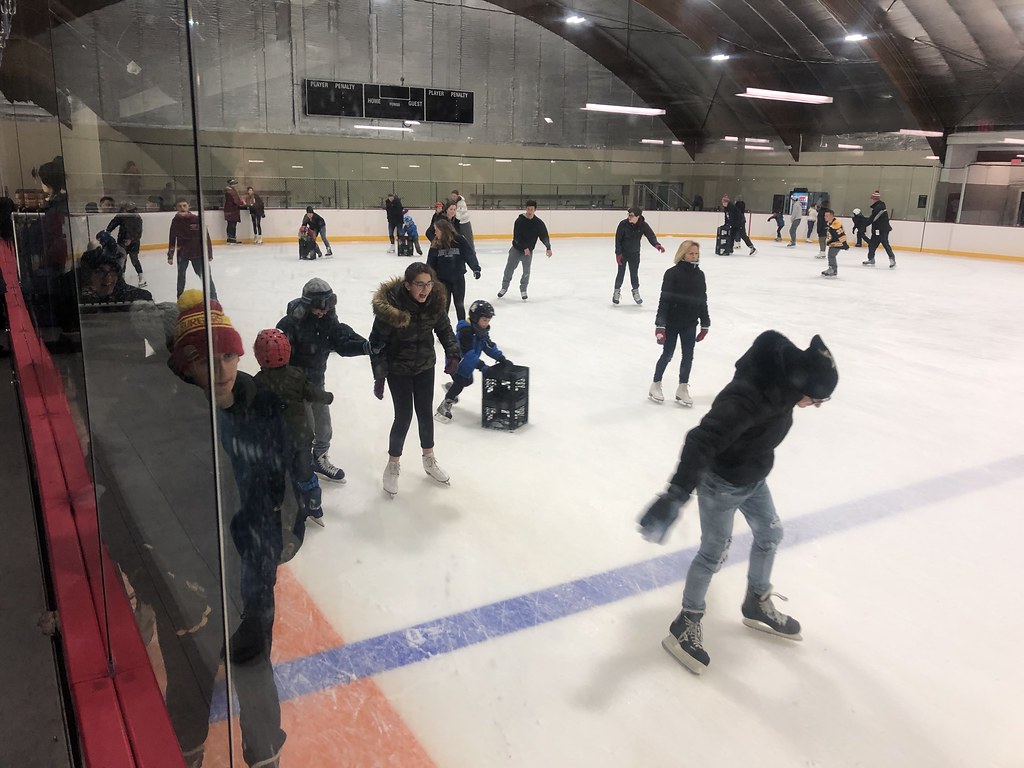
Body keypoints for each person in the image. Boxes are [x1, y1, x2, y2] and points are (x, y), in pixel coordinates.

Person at [637, 330, 839, 675]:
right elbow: (701, 439)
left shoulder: (785, 388)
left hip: (754, 477)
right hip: (721, 485)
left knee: (770, 534)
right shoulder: (751, 398)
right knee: (714, 554)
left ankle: (756, 603)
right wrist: (676, 494)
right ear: (804, 387)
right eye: (816, 399)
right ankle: (686, 621)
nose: (815, 406)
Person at [169, 296, 287, 766]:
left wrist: (271, 547)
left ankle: (263, 754)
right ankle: (186, 747)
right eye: (203, 358)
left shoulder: (263, 405)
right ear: (183, 365)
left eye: (229, 355)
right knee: (190, 674)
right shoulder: (165, 417)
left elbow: (282, 483)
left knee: (255, 668)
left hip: (251, 571)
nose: (220, 369)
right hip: (190, 578)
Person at [369, 262, 461, 497]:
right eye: (419, 284)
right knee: (403, 416)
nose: (425, 289)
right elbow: (377, 344)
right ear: (407, 285)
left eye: (428, 284)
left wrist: (452, 352)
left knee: (424, 412)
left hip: (424, 366)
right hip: (398, 369)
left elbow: (445, 329)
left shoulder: (434, 303)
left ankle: (429, 459)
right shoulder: (391, 309)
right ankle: (392, 465)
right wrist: (379, 375)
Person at [275, 278, 370, 483]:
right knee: (304, 431)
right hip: (296, 389)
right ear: (308, 304)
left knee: (324, 427)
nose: (324, 312)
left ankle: (319, 459)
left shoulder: (328, 321)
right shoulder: (289, 324)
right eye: (319, 308)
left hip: (317, 384)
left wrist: (364, 348)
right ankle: (300, 466)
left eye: (328, 307)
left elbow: (342, 343)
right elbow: (278, 359)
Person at [253, 328, 333, 542]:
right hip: (301, 439)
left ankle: (281, 509)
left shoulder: (258, 382)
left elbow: (252, 410)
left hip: (275, 441)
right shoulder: (297, 375)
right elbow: (313, 393)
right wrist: (327, 397)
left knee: (278, 476)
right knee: (305, 473)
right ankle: (314, 506)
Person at [648, 240, 710, 408]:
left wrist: (705, 324)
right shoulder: (672, 273)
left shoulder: (700, 275)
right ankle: (655, 384)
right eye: (691, 253)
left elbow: (702, 300)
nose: (694, 256)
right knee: (667, 354)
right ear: (683, 254)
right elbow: (665, 300)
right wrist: (660, 325)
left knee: (688, 356)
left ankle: (682, 388)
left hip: (690, 323)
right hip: (672, 323)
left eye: (696, 253)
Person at [435, 299, 510, 423]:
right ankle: (445, 405)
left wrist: (501, 358)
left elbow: (488, 346)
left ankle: (451, 388)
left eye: (488, 320)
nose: (487, 323)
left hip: (468, 362)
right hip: (456, 361)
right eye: (484, 320)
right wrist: (482, 366)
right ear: (475, 318)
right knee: (460, 381)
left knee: (468, 381)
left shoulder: (481, 332)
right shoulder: (466, 332)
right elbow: (468, 353)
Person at [426, 219, 480, 322]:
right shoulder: (435, 244)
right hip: (442, 281)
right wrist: (429, 278)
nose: (435, 233)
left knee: (459, 305)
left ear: (443, 230)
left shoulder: (459, 240)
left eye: (437, 230)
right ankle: (444, 332)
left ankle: (462, 329)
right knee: (444, 306)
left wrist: (475, 268)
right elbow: (430, 262)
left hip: (458, 279)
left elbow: (469, 254)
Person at [498, 199, 552, 301]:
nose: (529, 211)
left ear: (535, 210)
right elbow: (516, 237)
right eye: (528, 209)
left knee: (526, 271)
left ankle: (523, 289)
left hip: (528, 252)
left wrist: (548, 247)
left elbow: (544, 236)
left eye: (531, 209)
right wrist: (524, 247)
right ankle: (504, 287)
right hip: (516, 249)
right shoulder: (519, 221)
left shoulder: (538, 223)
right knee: (509, 269)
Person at [613, 207, 665, 305]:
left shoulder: (643, 225)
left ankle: (635, 291)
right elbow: (618, 239)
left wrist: (656, 244)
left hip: (635, 254)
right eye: (628, 215)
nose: (629, 217)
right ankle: (616, 291)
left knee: (634, 273)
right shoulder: (623, 224)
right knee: (620, 273)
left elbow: (650, 236)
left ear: (638, 216)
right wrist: (618, 253)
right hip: (623, 254)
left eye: (631, 215)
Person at [167, 198, 217, 299]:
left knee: (206, 277)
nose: (182, 208)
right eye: (180, 206)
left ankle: (213, 299)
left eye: (184, 205)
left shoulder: (196, 219)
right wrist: (170, 255)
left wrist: (209, 253)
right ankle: (180, 299)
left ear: (189, 206)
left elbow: (206, 237)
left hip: (197, 253)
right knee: (181, 278)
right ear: (176, 208)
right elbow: (172, 237)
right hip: (182, 254)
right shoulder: (175, 221)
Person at [105, 200, 146, 287]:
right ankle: (121, 278)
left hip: (134, 242)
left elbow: (138, 232)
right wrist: (108, 230)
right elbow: (114, 222)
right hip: (122, 240)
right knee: (121, 259)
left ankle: (141, 277)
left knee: (134, 258)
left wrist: (131, 239)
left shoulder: (137, 218)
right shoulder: (122, 216)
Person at [863, 191, 897, 268]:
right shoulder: (877, 207)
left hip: (882, 230)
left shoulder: (879, 208)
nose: (870, 201)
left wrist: (863, 225)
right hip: (876, 230)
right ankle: (871, 259)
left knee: (885, 244)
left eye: (871, 199)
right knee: (872, 245)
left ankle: (892, 259)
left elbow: (873, 219)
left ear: (874, 199)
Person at [821, 208, 848, 278]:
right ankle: (832, 269)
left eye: (827, 216)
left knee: (831, 255)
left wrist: (845, 244)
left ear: (831, 216)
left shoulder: (836, 224)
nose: (825, 217)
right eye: (825, 216)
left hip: (838, 243)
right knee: (830, 255)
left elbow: (840, 234)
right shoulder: (830, 223)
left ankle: (833, 269)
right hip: (833, 243)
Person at [223, 178, 245, 244]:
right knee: (232, 224)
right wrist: (242, 203)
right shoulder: (232, 192)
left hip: (228, 209)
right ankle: (232, 239)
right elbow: (236, 201)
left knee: (230, 224)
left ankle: (230, 238)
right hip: (232, 210)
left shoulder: (229, 191)